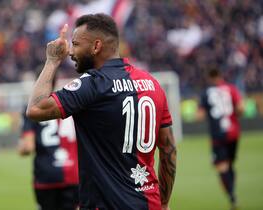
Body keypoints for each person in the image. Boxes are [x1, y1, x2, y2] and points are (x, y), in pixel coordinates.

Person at [26, 13, 177, 210]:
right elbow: (168, 150)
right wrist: (164, 203)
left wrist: (52, 60)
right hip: (150, 203)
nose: (71, 52)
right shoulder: (152, 84)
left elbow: (35, 108)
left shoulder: (94, 84)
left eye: (76, 44)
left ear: (96, 46)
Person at [198, 68, 244, 210]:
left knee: (222, 166)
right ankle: (232, 191)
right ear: (220, 75)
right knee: (230, 164)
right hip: (234, 133)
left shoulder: (206, 93)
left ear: (209, 78)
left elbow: (198, 115)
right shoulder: (231, 88)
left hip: (218, 135)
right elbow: (241, 108)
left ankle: (232, 196)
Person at [18, 106, 79, 210]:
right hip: (73, 173)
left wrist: (20, 148)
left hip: (46, 175)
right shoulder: (74, 100)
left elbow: (28, 147)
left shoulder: (33, 106)